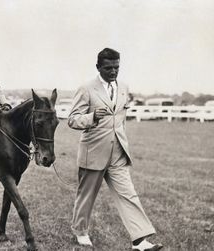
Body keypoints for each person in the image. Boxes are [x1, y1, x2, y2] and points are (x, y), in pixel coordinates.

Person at [68, 48, 163, 250]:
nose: (113, 72)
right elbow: (73, 120)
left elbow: (121, 119)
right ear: (98, 67)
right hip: (93, 151)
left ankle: (140, 240)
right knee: (86, 195)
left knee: (128, 194)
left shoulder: (124, 87)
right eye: (108, 68)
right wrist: (93, 116)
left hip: (118, 151)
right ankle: (80, 231)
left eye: (116, 67)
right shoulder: (86, 89)